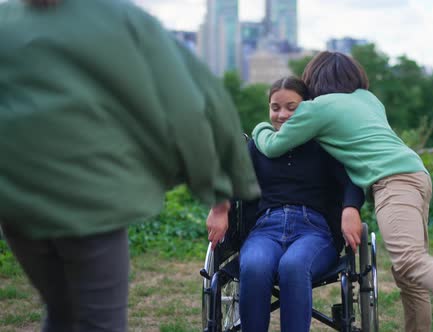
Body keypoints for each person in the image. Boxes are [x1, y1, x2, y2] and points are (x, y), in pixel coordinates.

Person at [0, 1, 259, 331]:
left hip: (18, 204)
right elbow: (192, 107)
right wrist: (218, 185)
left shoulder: (5, 22)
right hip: (90, 202)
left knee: (62, 310)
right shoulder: (121, 20)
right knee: (99, 321)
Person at [252, 52, 433, 332]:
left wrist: (260, 128)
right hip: (417, 174)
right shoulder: (369, 99)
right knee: (407, 276)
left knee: (410, 260)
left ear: (313, 80)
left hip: (392, 182)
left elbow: (274, 146)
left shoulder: (317, 108)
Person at [207, 76, 365, 332]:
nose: (282, 115)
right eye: (275, 107)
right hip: (265, 228)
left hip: (314, 231)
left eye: (292, 107)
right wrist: (219, 208)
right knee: (255, 266)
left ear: (308, 107)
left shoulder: (323, 145)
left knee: (293, 265)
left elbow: (351, 183)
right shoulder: (258, 147)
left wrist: (351, 208)